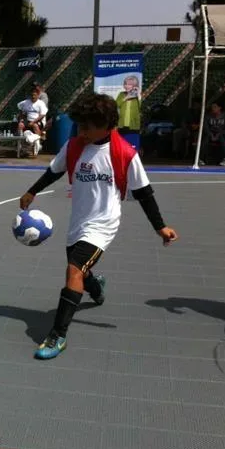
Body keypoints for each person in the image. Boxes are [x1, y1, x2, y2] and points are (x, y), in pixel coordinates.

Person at [20, 94, 178, 359]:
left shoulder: (125, 154)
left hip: (104, 225)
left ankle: (57, 335)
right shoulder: (74, 146)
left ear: (107, 125)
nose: (81, 132)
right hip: (78, 222)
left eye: (87, 127)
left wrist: (160, 227)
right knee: (80, 272)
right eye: (79, 126)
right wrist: (31, 191)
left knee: (73, 271)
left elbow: (144, 193)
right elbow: (54, 171)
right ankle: (96, 287)